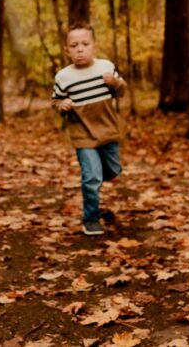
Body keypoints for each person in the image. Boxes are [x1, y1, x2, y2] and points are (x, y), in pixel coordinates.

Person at [51, 22, 127, 236]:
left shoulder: (106, 67)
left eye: (85, 44)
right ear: (67, 50)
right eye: (74, 45)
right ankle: (91, 218)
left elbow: (121, 90)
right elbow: (55, 101)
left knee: (113, 172)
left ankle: (95, 185)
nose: (80, 49)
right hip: (82, 133)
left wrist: (113, 82)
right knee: (91, 177)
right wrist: (62, 105)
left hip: (108, 130)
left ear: (94, 46)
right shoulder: (63, 77)